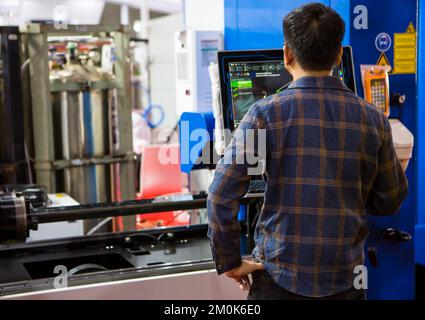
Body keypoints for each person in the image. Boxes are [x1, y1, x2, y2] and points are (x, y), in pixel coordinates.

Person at [207, 2, 408, 300]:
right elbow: (390, 200)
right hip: (347, 282)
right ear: (339, 55)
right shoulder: (373, 119)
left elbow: (221, 195)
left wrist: (230, 261)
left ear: (287, 54)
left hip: (278, 282)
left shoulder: (265, 115)